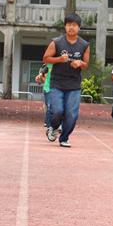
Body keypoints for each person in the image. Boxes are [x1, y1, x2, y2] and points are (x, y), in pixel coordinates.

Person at [43, 13, 90, 147]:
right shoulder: (56, 42)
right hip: (57, 83)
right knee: (58, 110)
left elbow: (86, 64)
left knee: (71, 114)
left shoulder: (84, 45)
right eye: (69, 25)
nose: (71, 27)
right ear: (65, 26)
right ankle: (53, 126)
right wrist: (59, 59)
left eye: (74, 25)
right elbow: (45, 58)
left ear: (79, 28)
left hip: (74, 84)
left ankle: (64, 138)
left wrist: (80, 63)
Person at [36, 63, 53, 127]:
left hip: (57, 88)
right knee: (48, 106)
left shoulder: (60, 65)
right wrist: (41, 78)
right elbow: (39, 81)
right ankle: (48, 123)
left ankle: (58, 125)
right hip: (47, 89)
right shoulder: (44, 67)